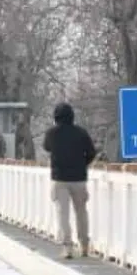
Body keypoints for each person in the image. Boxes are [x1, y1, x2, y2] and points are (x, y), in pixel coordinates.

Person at [43, 102, 97, 259]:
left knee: (63, 213)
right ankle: (84, 244)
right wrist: (82, 164)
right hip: (79, 179)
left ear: (56, 117)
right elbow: (92, 152)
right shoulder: (81, 133)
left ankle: (67, 247)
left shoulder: (52, 133)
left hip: (59, 178)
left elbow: (46, 147)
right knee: (81, 211)